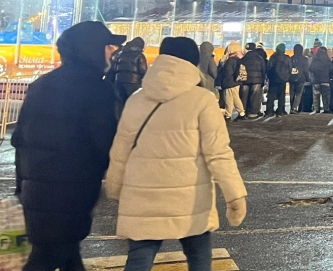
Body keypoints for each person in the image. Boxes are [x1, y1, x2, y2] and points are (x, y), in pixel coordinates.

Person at [106, 36, 247, 271]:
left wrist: (115, 185)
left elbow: (121, 150)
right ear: (192, 62)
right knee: (199, 258)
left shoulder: (137, 99)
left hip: (142, 194)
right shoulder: (203, 100)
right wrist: (235, 195)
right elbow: (219, 153)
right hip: (189, 198)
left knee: (139, 257)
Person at [13, 21, 121, 271]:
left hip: (36, 186)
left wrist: (22, 184)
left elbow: (19, 138)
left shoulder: (42, 85)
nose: (112, 52)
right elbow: (105, 142)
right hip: (71, 190)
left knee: (65, 251)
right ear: (92, 49)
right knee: (50, 255)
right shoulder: (96, 89)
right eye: (108, 47)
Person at [107, 37, 149, 114]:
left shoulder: (120, 54)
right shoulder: (139, 56)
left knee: (120, 103)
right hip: (134, 83)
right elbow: (143, 70)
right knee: (132, 103)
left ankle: (119, 119)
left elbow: (113, 69)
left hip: (119, 82)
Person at [239, 41, 267, 118]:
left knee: (244, 96)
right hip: (257, 81)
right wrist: (263, 80)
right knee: (255, 97)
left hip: (245, 80)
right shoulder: (260, 59)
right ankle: (253, 112)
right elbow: (263, 70)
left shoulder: (243, 59)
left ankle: (243, 111)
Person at [217, 42, 245, 120]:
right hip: (236, 82)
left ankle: (228, 115)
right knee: (236, 98)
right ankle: (242, 113)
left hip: (229, 82)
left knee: (228, 99)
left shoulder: (230, 60)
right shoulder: (238, 59)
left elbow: (227, 72)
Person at [266, 43, 293, 117]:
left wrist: (269, 77)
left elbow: (269, 68)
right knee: (282, 96)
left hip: (273, 79)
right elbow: (290, 68)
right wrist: (287, 77)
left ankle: (269, 111)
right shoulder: (287, 58)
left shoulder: (273, 57)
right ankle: (281, 111)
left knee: (271, 96)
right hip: (283, 79)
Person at [309, 43, 332, 114]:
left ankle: (317, 109)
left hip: (316, 80)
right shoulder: (327, 59)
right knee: (326, 96)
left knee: (316, 96)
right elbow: (331, 69)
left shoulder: (314, 58)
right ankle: (326, 109)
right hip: (325, 80)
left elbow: (310, 68)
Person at [289, 43, 309, 113]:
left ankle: (291, 107)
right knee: (298, 94)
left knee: (292, 93)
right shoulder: (304, 59)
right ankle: (294, 108)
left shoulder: (290, 58)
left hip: (291, 78)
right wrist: (307, 78)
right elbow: (306, 70)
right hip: (301, 78)